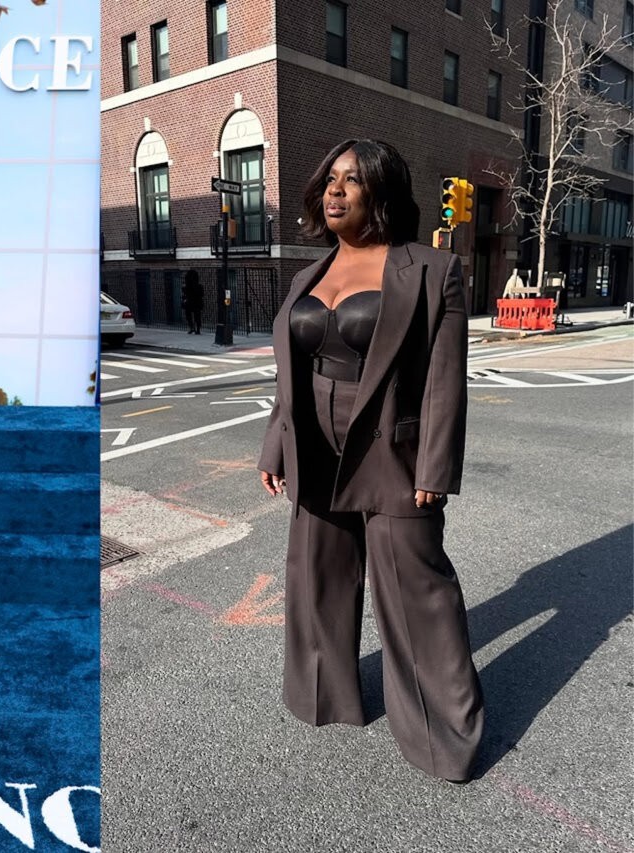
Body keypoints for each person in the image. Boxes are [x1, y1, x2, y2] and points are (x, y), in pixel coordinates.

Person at [257, 139, 484, 782]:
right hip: (314, 442)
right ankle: (326, 694)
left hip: (391, 445)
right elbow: (289, 378)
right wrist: (275, 444)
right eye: (330, 178)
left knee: (417, 592)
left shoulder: (430, 269)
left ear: (380, 192)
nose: (335, 190)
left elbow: (445, 381)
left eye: (351, 180)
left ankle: (445, 738)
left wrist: (434, 471)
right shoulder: (308, 275)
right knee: (317, 577)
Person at [182, 269, 204, 334]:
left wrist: (185, 299)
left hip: (190, 302)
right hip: (197, 303)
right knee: (197, 316)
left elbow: (184, 296)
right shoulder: (199, 286)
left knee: (189, 315)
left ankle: (192, 327)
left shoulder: (186, 287)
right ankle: (197, 329)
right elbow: (202, 294)